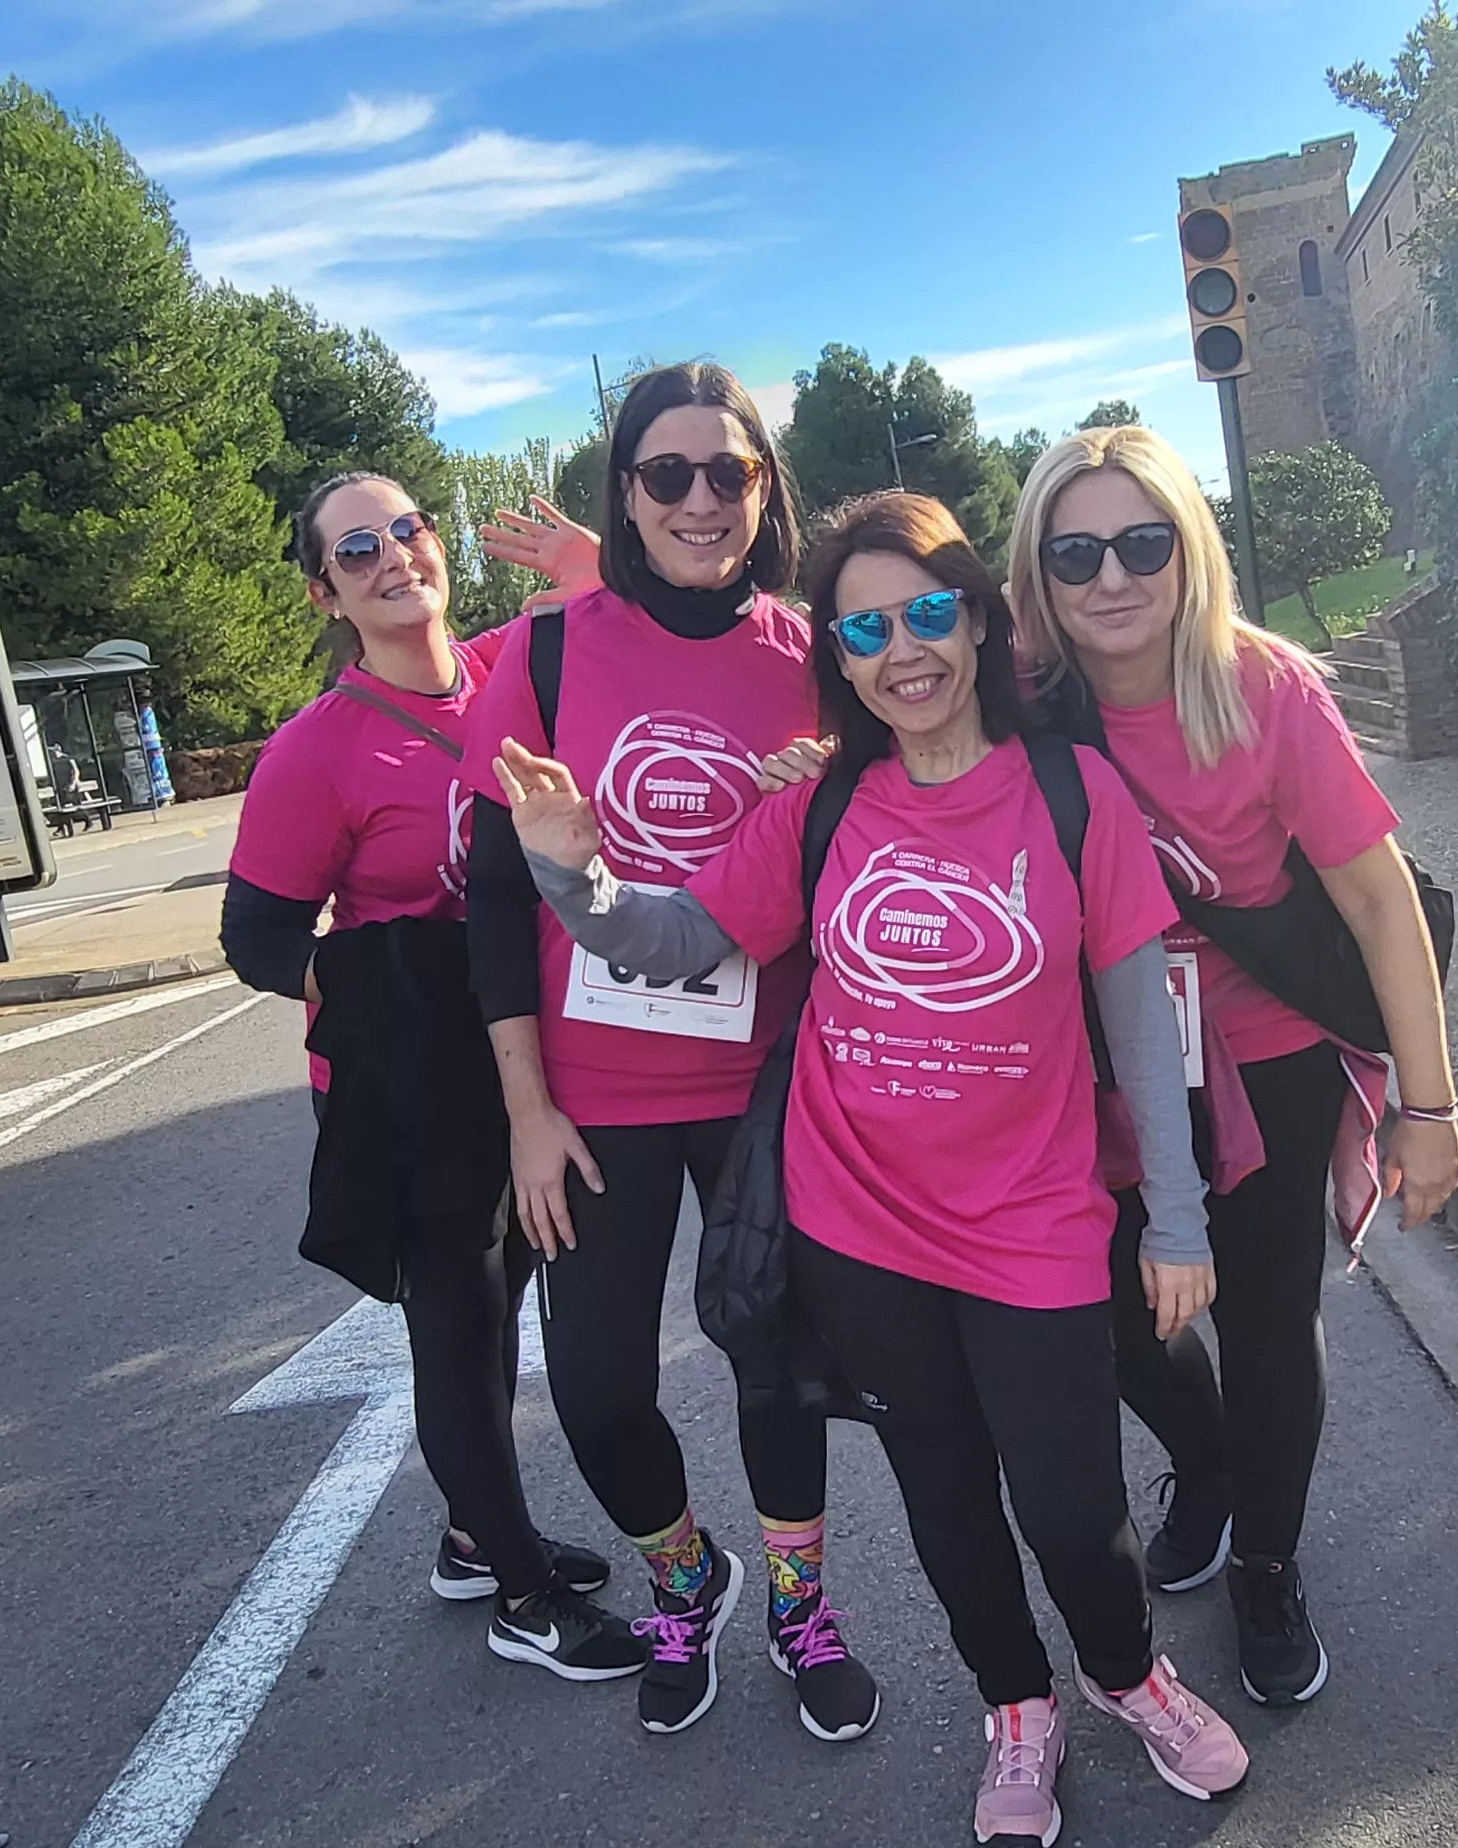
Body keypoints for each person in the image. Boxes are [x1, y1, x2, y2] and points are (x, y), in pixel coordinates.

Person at [497, 490, 1251, 1844]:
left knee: (1076, 1511)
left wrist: (1177, 1225)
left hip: (1034, 1225)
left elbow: (1146, 1033)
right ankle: (1015, 1712)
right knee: (948, 1501)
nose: (903, 649)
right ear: (838, 659)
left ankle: (1129, 1672)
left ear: (975, 620)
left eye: (925, 614)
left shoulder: (1075, 797)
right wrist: (575, 879)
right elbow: (681, 944)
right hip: (862, 1233)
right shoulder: (824, 808)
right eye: (865, 628)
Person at [1002, 424, 1458, 1707]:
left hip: (1263, 1061)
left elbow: (1379, 906)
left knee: (1266, 1323)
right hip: (1096, 1071)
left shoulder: (1263, 690)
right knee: (1110, 1314)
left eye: (1141, 542)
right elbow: (874, 665)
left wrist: (1428, 1106)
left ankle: (1266, 1556)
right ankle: (1209, 1463)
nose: (1111, 577)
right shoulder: (1025, 699)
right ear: (1039, 570)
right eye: (1077, 549)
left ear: (1185, 547)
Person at [458, 362, 876, 1742]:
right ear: (625, 493)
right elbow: (499, 897)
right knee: (592, 1387)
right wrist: (523, 1107)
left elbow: (898, 833)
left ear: (766, 490)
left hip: (768, 1076)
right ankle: (685, 1574)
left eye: (730, 473)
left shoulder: (822, 650)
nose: (701, 500)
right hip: (596, 1094)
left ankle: (801, 1605)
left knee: (777, 1356)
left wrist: (834, 799)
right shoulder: (544, 653)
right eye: (667, 475)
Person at [219, 472, 646, 1681]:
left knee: (501, 1305)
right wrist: (380, 993)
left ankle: (473, 1535)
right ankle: (518, 1592)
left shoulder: (508, 667)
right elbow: (257, 940)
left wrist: (587, 559)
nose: (395, 555)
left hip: (517, 1057)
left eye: (408, 529)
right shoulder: (316, 751)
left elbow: (634, 614)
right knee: (456, 1328)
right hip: (410, 1080)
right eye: (358, 550)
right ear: (326, 592)